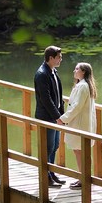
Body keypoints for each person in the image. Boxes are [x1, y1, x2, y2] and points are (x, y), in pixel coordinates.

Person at [57, 62, 97, 189]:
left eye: (76, 69)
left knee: (80, 151)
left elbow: (77, 106)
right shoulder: (83, 85)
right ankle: (82, 178)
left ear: (83, 71)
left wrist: (63, 119)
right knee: (79, 151)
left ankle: (84, 180)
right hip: (81, 123)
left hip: (79, 124)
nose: (74, 71)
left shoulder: (83, 86)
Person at [34, 45, 66, 188]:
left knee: (55, 146)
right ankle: (45, 177)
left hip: (55, 116)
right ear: (51, 58)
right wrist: (58, 117)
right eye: (59, 57)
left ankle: (51, 173)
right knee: (48, 147)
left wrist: (62, 115)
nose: (61, 59)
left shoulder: (53, 71)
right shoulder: (42, 74)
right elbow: (46, 99)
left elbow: (58, 96)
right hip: (47, 117)